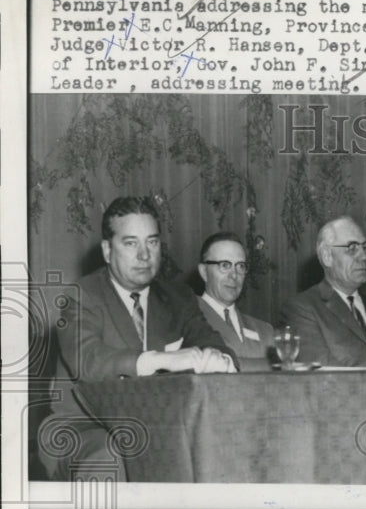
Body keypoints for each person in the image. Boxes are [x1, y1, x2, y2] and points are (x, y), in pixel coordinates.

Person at [41, 196, 237, 480]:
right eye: (131, 243)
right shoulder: (82, 295)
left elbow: (213, 342)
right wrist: (162, 359)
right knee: (112, 457)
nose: (144, 255)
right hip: (84, 427)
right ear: (107, 250)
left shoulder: (178, 297)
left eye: (152, 242)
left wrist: (219, 359)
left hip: (160, 427)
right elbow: (88, 360)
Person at [279, 217, 366, 366]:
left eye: (365, 247)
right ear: (327, 256)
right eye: (352, 248)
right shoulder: (302, 308)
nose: (364, 256)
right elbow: (321, 372)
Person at [196, 231, 275, 371]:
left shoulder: (265, 331)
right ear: (204, 272)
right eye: (225, 265)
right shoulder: (185, 322)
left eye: (240, 266)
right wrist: (268, 365)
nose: (234, 275)